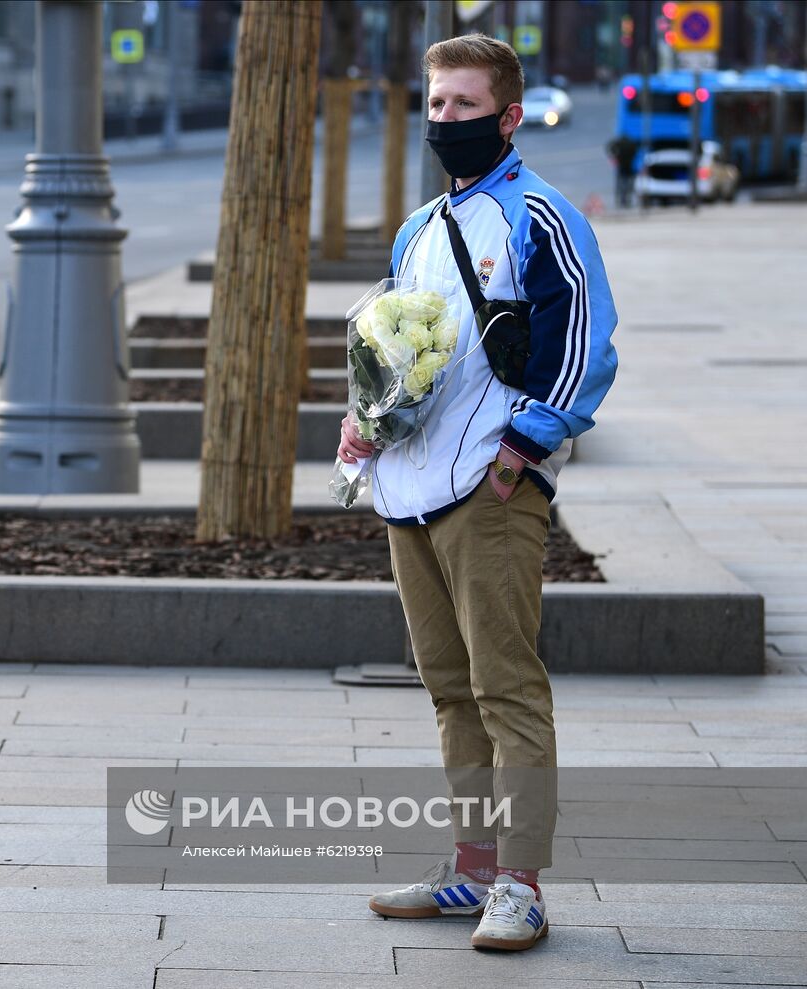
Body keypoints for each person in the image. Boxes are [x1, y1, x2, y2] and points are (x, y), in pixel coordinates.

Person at [338, 34, 618, 952]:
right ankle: (469, 871)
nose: (444, 120)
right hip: (409, 486)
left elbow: (586, 340)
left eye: (463, 105)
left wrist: (523, 448)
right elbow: (391, 343)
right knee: (450, 688)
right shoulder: (419, 229)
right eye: (435, 104)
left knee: (507, 686)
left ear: (509, 116)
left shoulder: (542, 216)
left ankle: (521, 886)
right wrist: (364, 421)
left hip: (488, 488)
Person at [607, 134, 640, 208]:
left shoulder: (619, 144)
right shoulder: (631, 144)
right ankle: (627, 200)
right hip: (629, 167)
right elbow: (635, 151)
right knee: (628, 185)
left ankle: (621, 200)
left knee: (621, 184)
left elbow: (610, 147)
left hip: (621, 167)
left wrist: (614, 156)